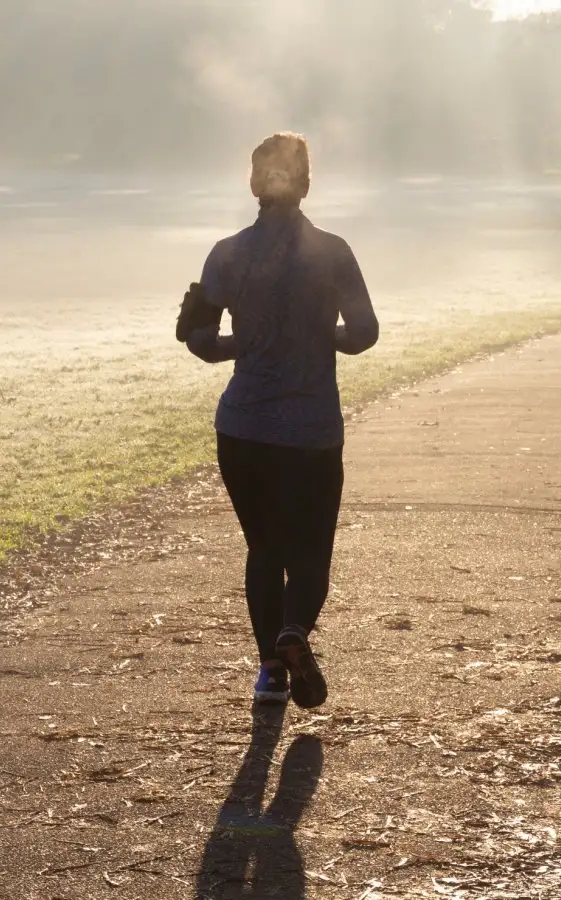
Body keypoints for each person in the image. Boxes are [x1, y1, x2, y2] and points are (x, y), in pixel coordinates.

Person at [177, 132, 379, 709]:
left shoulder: (226, 253)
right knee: (311, 551)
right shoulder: (333, 251)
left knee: (263, 548)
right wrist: (321, 337)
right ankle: (294, 632)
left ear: (252, 184)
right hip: (311, 430)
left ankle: (270, 673)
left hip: (242, 428)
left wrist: (245, 343)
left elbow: (199, 341)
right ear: (307, 184)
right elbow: (364, 333)